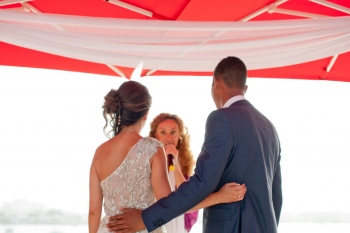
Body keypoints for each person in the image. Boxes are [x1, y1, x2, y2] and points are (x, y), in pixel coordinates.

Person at [106, 56, 283, 233]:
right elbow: (276, 197)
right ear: (245, 88)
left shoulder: (221, 118)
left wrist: (145, 218)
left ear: (216, 82)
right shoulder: (269, 128)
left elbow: (202, 184)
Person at [88, 80, 247, 233]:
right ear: (146, 113)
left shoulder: (99, 153)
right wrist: (219, 196)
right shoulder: (153, 148)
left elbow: (94, 211)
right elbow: (171, 204)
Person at [149, 113, 198, 233]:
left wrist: (175, 165)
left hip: (177, 223)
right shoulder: (147, 160)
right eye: (163, 132)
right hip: (156, 221)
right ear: (155, 135)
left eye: (173, 132)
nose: (169, 137)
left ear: (179, 136)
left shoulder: (184, 163)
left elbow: (187, 196)